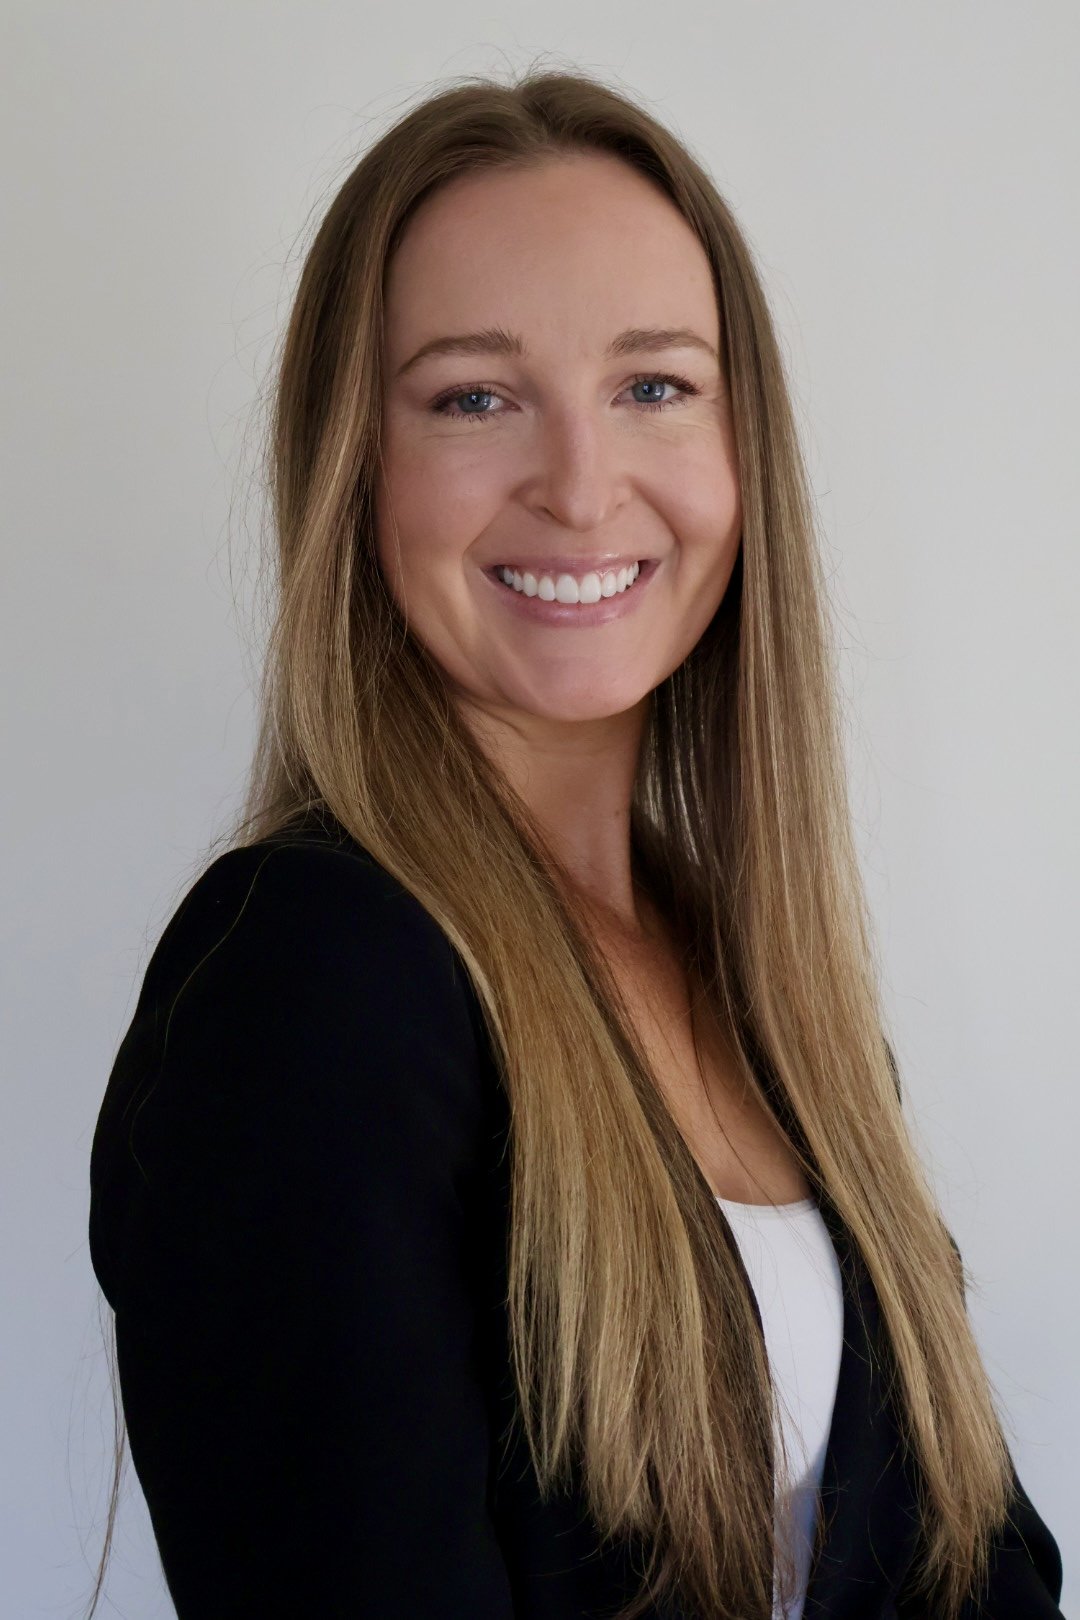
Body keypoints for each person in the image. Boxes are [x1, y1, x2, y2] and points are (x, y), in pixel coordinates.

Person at [87, 67, 1065, 1620]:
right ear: (358, 465)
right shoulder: (306, 977)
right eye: (474, 397)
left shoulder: (776, 995)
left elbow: (980, 1563)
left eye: (654, 385)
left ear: (745, 452)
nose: (581, 484)